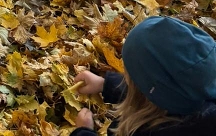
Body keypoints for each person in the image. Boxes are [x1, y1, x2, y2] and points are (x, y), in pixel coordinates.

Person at [72, 16, 216, 136]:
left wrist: (83, 131)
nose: (125, 75)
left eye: (128, 72)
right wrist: (105, 84)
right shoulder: (201, 101)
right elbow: (162, 90)